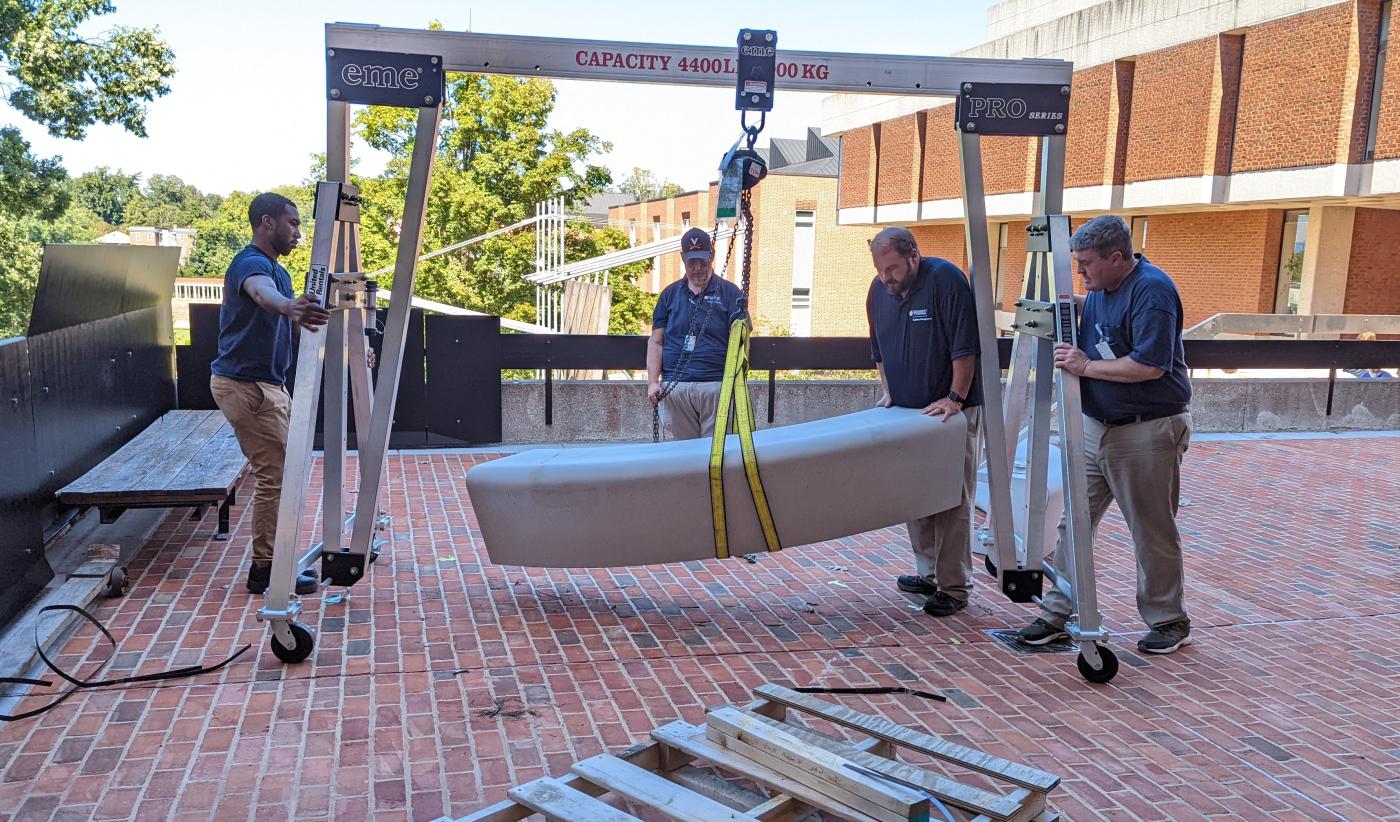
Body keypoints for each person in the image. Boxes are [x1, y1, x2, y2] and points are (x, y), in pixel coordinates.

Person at [1017, 215, 1195, 654]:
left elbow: (1150, 366)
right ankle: (1058, 612)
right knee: (1073, 522)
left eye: (1088, 264)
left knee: (1150, 528)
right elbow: (1099, 312)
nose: (1082, 272)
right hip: (1096, 427)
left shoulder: (1152, 291)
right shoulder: (1103, 289)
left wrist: (1084, 367)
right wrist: (1066, 305)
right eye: (1077, 263)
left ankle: (1168, 620)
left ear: (1118, 258)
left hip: (1145, 431)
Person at [210, 193, 330, 595]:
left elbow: (298, 327)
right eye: (292, 223)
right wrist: (287, 306)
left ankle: (270, 565)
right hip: (248, 389)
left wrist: (346, 348)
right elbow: (262, 294)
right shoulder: (252, 264)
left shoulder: (281, 274)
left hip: (265, 388)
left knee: (283, 474)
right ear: (267, 223)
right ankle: (267, 571)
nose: (298, 232)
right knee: (277, 477)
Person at [866, 227, 982, 618]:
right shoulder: (877, 291)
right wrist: (890, 391)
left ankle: (953, 584)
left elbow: (966, 347)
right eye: (881, 270)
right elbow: (878, 351)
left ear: (914, 256)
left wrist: (955, 397)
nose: (887, 278)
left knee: (951, 499)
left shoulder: (945, 279)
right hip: (908, 414)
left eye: (893, 269)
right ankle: (928, 572)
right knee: (915, 495)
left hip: (951, 412)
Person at [646, 226, 745, 439]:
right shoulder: (670, 295)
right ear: (683, 258)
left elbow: (743, 336)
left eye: (703, 261)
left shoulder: (729, 292)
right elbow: (656, 342)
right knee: (683, 455)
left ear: (712, 256)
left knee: (716, 453)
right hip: (676, 387)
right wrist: (653, 382)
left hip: (715, 385)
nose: (698, 268)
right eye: (692, 262)